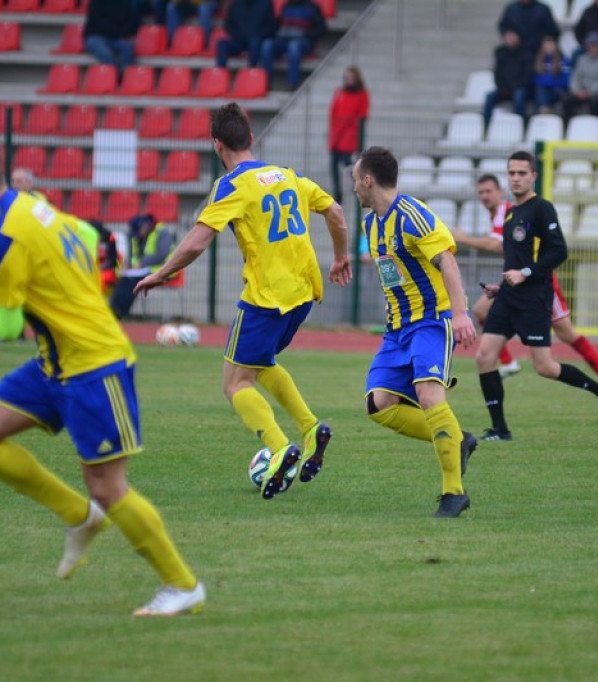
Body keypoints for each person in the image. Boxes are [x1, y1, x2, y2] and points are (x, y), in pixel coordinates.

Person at [0, 137, 205, 616]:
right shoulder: (34, 207)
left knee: (108, 487)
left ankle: (182, 585)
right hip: (54, 362)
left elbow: (7, 327)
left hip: (94, 364)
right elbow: (87, 237)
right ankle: (77, 515)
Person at [134, 103, 352, 500]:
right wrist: (340, 257)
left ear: (217, 144)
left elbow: (197, 242)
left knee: (234, 383)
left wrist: (161, 273)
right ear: (251, 138)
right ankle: (310, 429)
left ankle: (279, 446)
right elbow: (335, 212)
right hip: (303, 293)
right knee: (261, 364)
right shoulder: (287, 176)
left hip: (266, 297)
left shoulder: (232, 185)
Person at [351, 146, 478, 518]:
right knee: (377, 404)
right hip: (397, 329)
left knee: (428, 395)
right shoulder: (371, 224)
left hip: (431, 321)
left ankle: (453, 493)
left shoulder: (413, 215)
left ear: (368, 180)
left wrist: (460, 313)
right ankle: (457, 438)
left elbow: (447, 261)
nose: (354, 186)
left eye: (355, 179)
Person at [474, 151, 598, 442]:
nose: (516, 178)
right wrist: (502, 286)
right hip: (508, 297)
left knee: (545, 367)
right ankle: (500, 430)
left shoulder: (542, 208)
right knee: (484, 356)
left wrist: (525, 273)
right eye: (511, 173)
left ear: (533, 176)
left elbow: (559, 251)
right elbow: (515, 261)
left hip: (534, 298)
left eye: (521, 173)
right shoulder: (511, 214)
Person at [451, 173, 598, 386]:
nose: (485, 196)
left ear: (500, 192)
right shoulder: (499, 215)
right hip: (517, 281)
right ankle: (508, 362)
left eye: (489, 191)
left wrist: (464, 239)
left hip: (539, 281)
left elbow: (497, 245)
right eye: (481, 192)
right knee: (481, 310)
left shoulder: (506, 212)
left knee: (565, 333)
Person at [109, 214, 173, 319]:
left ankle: (119, 312)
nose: (138, 235)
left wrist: (142, 263)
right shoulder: (140, 237)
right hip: (144, 270)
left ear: (145, 226)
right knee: (124, 279)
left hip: (164, 270)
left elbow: (161, 255)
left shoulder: (162, 232)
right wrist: (129, 267)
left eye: (138, 231)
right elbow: (135, 257)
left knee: (133, 282)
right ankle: (115, 310)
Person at [259, 0, 326, 90]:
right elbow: (277, 26)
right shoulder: (286, 6)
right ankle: (265, 83)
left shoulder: (312, 7)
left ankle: (292, 83)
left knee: (293, 45)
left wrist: (306, 35)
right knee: (267, 44)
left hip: (303, 42)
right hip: (283, 40)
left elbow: (322, 29)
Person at [327, 66, 369, 206]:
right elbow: (333, 113)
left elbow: (362, 116)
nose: (349, 80)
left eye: (351, 77)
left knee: (350, 167)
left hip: (350, 139)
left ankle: (360, 189)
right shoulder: (339, 92)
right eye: (347, 77)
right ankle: (337, 196)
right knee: (334, 168)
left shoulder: (362, 94)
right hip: (336, 138)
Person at [562, 31, 598, 120]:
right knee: (567, 99)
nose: (593, 48)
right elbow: (575, 78)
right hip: (581, 91)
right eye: (591, 45)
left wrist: (590, 92)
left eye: (595, 45)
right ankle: (569, 122)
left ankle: (595, 123)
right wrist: (577, 91)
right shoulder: (582, 59)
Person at [481, 37, 533, 129]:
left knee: (519, 96)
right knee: (489, 96)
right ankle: (486, 125)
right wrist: (502, 87)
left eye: (512, 37)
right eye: (508, 37)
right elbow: (497, 75)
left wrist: (514, 87)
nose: (510, 40)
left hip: (518, 88)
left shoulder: (525, 54)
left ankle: (519, 125)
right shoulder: (501, 54)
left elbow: (527, 76)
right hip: (504, 89)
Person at [214, 0, 276, 70]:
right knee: (222, 43)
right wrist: (238, 35)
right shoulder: (237, 4)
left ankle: (252, 71)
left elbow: (271, 27)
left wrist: (258, 35)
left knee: (254, 42)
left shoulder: (265, 4)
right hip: (239, 41)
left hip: (257, 41)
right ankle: (220, 71)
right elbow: (228, 25)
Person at [83, 0, 138, 74]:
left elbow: (130, 26)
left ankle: (125, 76)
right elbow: (94, 24)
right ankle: (115, 76)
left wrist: (119, 33)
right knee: (106, 54)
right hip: (96, 36)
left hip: (114, 37)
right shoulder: (97, 2)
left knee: (127, 49)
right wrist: (116, 31)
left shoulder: (126, 3)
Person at [532, 35, 571, 115]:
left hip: (559, 90)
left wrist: (550, 81)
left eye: (550, 44)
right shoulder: (539, 60)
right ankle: (544, 110)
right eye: (546, 45)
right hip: (545, 90)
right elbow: (535, 79)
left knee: (544, 88)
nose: (548, 47)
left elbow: (566, 79)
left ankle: (544, 111)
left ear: (555, 45)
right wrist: (551, 79)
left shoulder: (564, 60)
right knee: (540, 88)